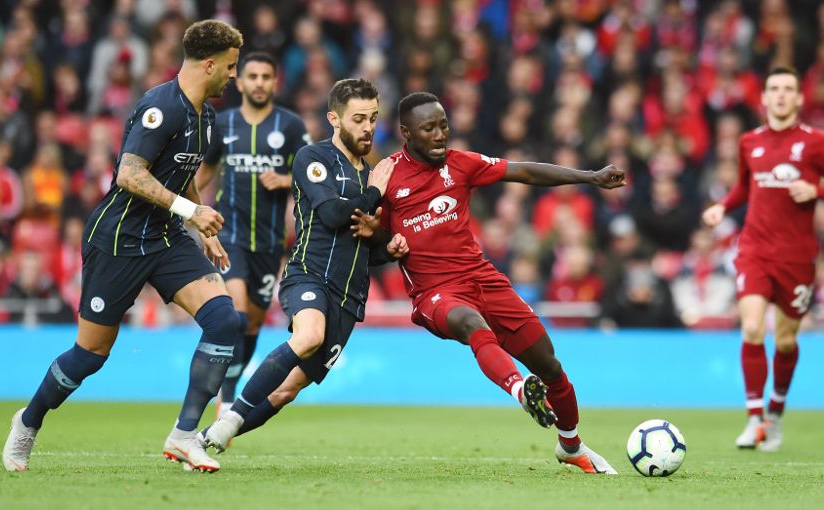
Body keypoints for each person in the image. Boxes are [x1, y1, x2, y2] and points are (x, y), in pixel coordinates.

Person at [2, 20, 243, 473]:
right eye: (230, 67)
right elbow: (129, 175)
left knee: (224, 320)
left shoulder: (205, 117)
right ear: (209, 65)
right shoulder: (161, 106)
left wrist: (202, 228)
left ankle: (183, 435)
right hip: (118, 239)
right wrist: (191, 212)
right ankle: (28, 420)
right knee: (90, 355)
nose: (234, 75)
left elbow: (184, 173)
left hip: (165, 237)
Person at [354, 92, 625, 474]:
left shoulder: (461, 164)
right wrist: (380, 238)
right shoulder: (386, 176)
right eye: (428, 128)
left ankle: (571, 445)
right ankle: (520, 388)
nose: (439, 134)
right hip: (435, 293)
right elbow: (375, 239)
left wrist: (590, 177)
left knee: (550, 365)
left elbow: (525, 172)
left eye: (443, 125)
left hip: (483, 278)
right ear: (406, 133)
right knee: (471, 323)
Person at [201, 78, 408, 450]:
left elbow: (362, 248)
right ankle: (229, 415)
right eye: (358, 118)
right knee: (308, 336)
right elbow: (332, 215)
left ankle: (207, 438)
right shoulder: (314, 159)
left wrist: (388, 248)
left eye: (373, 118)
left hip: (348, 299)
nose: (368, 127)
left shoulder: (371, 174)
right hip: (309, 276)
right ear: (334, 119)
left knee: (286, 391)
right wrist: (375, 192)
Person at [702, 66, 824, 452]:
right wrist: (723, 207)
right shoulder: (749, 141)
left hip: (797, 257)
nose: (781, 94)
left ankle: (776, 412)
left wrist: (816, 189)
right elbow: (745, 186)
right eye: (774, 88)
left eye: (788, 89)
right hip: (754, 250)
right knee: (752, 328)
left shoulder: (816, 142)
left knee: (785, 341)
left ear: (799, 98)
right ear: (765, 97)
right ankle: (754, 419)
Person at [194, 52, 311, 417]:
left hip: (271, 242)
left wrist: (286, 180)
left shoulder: (290, 126)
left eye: (266, 77)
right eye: (253, 76)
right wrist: (189, 210)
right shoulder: (224, 123)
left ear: (275, 82)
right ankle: (227, 397)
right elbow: (203, 173)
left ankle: (229, 384)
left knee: (254, 323)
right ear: (240, 82)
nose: (259, 83)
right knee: (238, 314)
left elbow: (313, 174)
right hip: (230, 235)